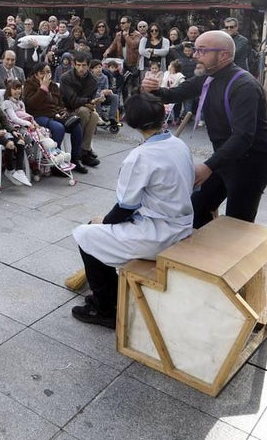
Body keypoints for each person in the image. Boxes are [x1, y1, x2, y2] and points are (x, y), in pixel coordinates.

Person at [69, 93, 195, 327]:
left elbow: (124, 208)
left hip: (159, 234)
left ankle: (106, 308)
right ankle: (110, 296)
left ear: (132, 122)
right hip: (181, 224)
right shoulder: (178, 144)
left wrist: (102, 221)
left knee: (85, 234)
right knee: (99, 232)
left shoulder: (140, 156)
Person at [143, 30, 267, 228]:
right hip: (224, 160)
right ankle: (206, 249)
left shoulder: (244, 85)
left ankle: (223, 253)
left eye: (202, 51)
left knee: (236, 227)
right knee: (197, 209)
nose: (195, 55)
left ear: (223, 55)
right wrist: (152, 89)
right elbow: (172, 95)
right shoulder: (207, 77)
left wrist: (208, 166)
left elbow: (243, 137)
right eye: (195, 49)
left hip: (251, 165)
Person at [23, 64, 87, 174]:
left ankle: (76, 158)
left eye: (48, 72)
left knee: (76, 126)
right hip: (38, 116)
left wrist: (62, 112)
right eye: (43, 72)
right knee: (59, 128)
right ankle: (54, 163)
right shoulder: (30, 84)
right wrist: (43, 88)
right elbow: (31, 104)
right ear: (36, 74)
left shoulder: (53, 86)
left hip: (54, 115)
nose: (46, 75)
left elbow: (60, 103)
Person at [58, 52, 104, 167]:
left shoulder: (92, 80)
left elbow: (87, 100)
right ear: (73, 64)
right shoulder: (66, 78)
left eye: (83, 65)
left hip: (83, 108)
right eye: (78, 65)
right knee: (84, 112)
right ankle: (78, 153)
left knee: (94, 116)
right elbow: (73, 100)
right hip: (66, 109)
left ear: (88, 66)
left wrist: (89, 102)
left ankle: (84, 151)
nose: (81, 68)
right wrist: (89, 102)